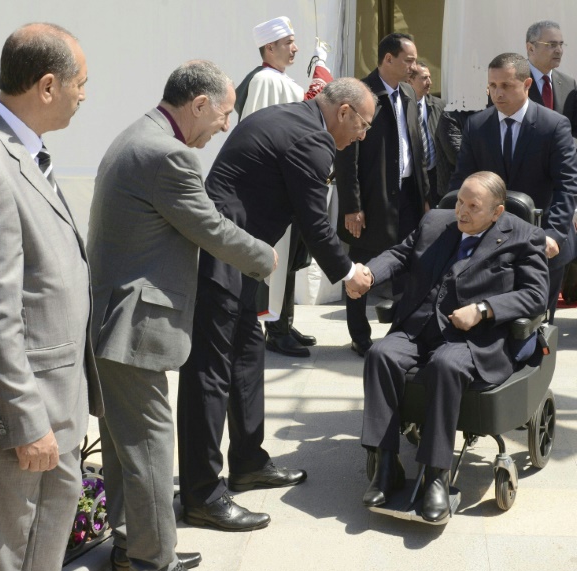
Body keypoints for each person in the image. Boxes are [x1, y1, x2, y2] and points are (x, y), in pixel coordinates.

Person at [88, 61, 276, 571]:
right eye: (223, 114)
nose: (223, 126)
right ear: (197, 105)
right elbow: (210, 228)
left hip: (114, 316)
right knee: (149, 447)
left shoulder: (140, 133)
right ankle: (156, 564)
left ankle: (135, 546)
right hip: (133, 325)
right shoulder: (167, 155)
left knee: (128, 447)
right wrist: (265, 256)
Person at [0, 24, 103, 571]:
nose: (86, 94)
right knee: (0, 561)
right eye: (81, 82)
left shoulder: (21, 152)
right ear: (49, 85)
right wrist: (24, 418)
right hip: (23, 419)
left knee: (39, 557)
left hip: (56, 403)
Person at [177, 78, 375, 531]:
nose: (361, 135)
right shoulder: (312, 139)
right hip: (222, 254)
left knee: (248, 357)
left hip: (245, 255)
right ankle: (202, 495)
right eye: (362, 125)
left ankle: (248, 462)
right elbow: (314, 222)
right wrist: (348, 274)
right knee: (209, 374)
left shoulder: (295, 119)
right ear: (342, 112)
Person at [356, 171, 549, 522]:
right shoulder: (435, 222)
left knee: (445, 365)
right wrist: (369, 274)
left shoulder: (525, 236)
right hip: (420, 325)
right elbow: (399, 255)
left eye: (472, 206)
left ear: (497, 211)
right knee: (380, 355)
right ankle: (387, 465)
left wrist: (484, 310)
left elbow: (535, 295)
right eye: (459, 201)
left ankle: (436, 476)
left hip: (474, 337)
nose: (461, 211)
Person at [448, 52, 577, 323]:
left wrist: (553, 234)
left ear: (527, 85)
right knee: (494, 321)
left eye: (506, 85)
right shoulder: (477, 126)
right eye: (492, 86)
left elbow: (567, 185)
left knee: (537, 325)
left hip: (543, 242)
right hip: (491, 243)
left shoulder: (553, 126)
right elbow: (462, 181)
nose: (498, 93)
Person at [234, 16, 334, 358]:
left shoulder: (278, 81)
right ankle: (274, 328)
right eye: (288, 42)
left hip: (286, 187)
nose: (295, 48)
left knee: (289, 261)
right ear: (269, 47)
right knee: (274, 263)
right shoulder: (265, 80)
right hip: (273, 190)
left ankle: (283, 321)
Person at [335, 33, 430, 357]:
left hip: (407, 195)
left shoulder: (407, 92)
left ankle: (400, 333)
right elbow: (346, 154)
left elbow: (414, 145)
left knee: (409, 265)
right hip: (371, 198)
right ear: (388, 59)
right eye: (408, 60)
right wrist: (352, 206)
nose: (413, 67)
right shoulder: (362, 93)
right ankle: (359, 336)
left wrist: (425, 194)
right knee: (361, 267)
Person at [525, 20, 577, 136]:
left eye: (561, 44)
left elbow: (573, 130)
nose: (559, 50)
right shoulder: (511, 81)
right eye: (552, 45)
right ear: (531, 48)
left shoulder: (569, 84)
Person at [408, 61, 446, 206]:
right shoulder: (401, 107)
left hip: (436, 177)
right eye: (424, 78)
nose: (429, 82)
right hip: (412, 178)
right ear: (409, 80)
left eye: (429, 77)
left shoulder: (439, 106)